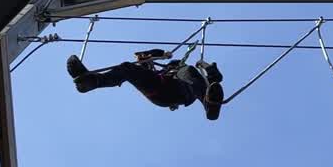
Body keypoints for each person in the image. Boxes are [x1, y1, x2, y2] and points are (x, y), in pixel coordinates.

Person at [65, 49, 226, 120]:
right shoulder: (163, 73)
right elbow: (143, 67)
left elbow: (215, 78)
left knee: (196, 80)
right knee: (127, 68)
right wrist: (156, 55)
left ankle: (210, 106)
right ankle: (91, 81)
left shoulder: (189, 73)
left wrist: (204, 64)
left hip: (177, 92)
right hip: (161, 89)